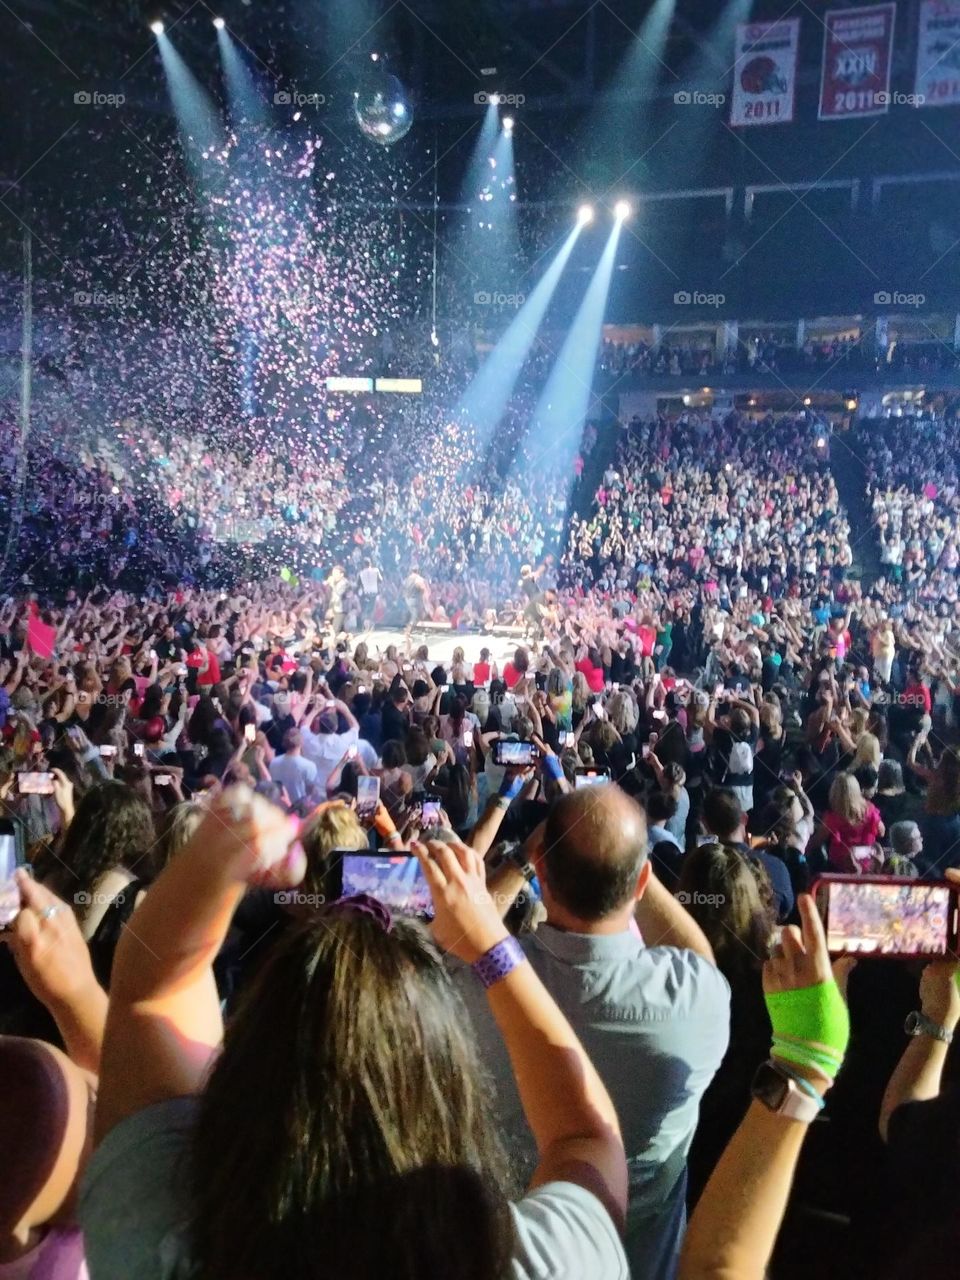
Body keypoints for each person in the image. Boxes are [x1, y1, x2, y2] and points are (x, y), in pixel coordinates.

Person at [80, 789, 632, 1278]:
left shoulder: (159, 1241)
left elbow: (152, 991)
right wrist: (488, 940)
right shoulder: (541, 1262)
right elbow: (586, 1135)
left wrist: (210, 861)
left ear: (247, 1060)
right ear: (450, 1080)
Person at [455, 783, 730, 1279]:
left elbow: (459, 936)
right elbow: (699, 956)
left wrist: (520, 860)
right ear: (643, 882)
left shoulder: (479, 988)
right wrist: (627, 859)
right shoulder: (697, 1000)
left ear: (542, 871)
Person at [700, 788, 794, 922]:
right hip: (761, 940)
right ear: (744, 818)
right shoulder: (777, 868)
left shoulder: (692, 866)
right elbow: (785, 910)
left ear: (704, 822)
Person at [819, 773, 884, 873]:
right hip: (867, 864)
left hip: (841, 867)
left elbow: (818, 840)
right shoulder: (870, 810)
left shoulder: (833, 817)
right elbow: (882, 832)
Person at [267, 727, 318, 806]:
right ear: (301, 742)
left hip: (278, 806)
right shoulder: (309, 766)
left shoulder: (274, 762)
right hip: (299, 808)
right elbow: (311, 792)